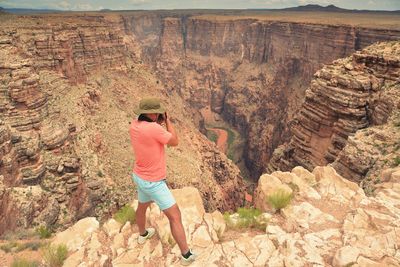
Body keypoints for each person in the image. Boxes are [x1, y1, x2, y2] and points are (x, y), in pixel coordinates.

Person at [129, 97, 196, 266]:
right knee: (175, 216)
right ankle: (186, 255)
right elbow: (174, 141)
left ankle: (143, 234)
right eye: (157, 111)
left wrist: (156, 121)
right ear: (151, 113)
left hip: (139, 176)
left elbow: (150, 132)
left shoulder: (134, 124)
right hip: (154, 182)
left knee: (142, 206)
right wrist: (167, 121)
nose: (159, 113)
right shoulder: (153, 129)